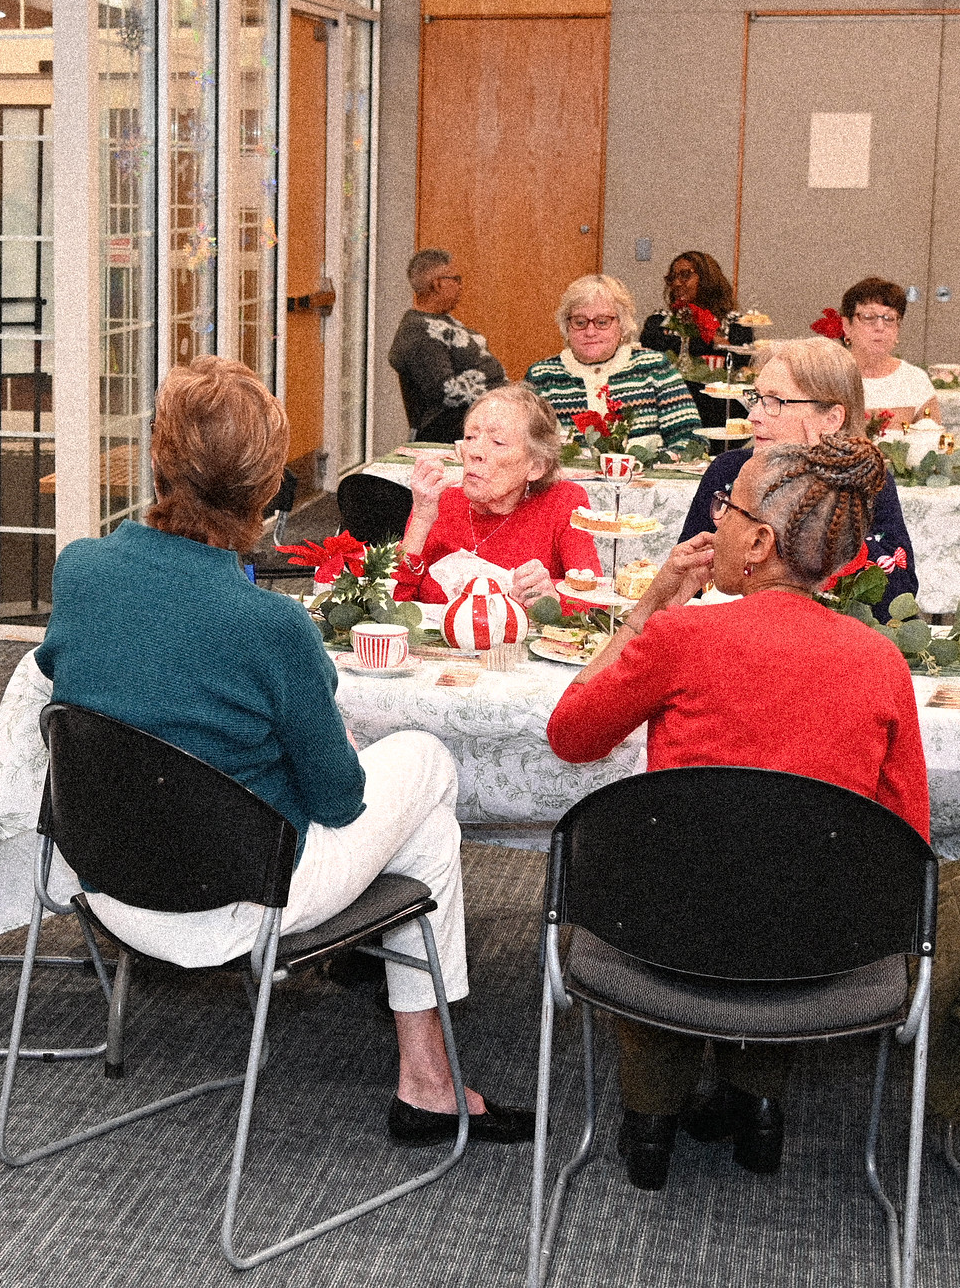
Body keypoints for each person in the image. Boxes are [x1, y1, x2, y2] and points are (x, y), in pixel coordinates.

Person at [35, 356, 533, 1147]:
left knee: (426, 832)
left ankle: (428, 1081)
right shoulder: (271, 627)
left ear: (159, 459)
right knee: (429, 763)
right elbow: (339, 800)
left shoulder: (81, 568)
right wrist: (330, 739)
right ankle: (425, 1080)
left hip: (105, 881)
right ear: (272, 492)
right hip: (234, 900)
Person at [547, 433, 929, 1184]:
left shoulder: (682, 637)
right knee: (787, 877)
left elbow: (570, 733)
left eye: (728, 506)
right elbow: (904, 837)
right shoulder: (881, 660)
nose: (714, 518)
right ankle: (761, 1107)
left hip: (667, 935)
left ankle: (649, 1122)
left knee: (663, 872)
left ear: (757, 542)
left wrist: (651, 605)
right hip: (813, 949)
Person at [677, 337, 919, 619]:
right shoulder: (729, 472)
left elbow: (899, 596)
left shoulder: (865, 482)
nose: (753, 416)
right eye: (756, 398)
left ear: (831, 419)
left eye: (775, 402)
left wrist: (824, 491)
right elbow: (689, 586)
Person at [394, 382, 600, 607]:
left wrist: (555, 600)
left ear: (536, 467)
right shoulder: (439, 502)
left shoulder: (563, 502)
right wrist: (422, 520)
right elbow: (392, 602)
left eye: (497, 442)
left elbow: (593, 602)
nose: (475, 452)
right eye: (470, 437)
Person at [526, 275, 702, 448]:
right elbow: (525, 446)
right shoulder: (542, 377)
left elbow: (692, 440)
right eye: (579, 322)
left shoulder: (654, 368)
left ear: (622, 325)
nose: (590, 332)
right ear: (566, 326)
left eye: (602, 322)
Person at [387, 248, 507, 443]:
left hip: (478, 418)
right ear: (438, 284)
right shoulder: (418, 331)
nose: (461, 286)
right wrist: (500, 394)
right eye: (456, 279)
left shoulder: (444, 320)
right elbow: (446, 391)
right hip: (449, 430)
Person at [838, 276, 941, 430]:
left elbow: (933, 446)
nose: (880, 326)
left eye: (889, 318)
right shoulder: (830, 377)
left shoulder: (915, 380)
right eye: (868, 317)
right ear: (847, 326)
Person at [640, 250, 736, 361]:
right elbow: (651, 345)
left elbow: (739, 361)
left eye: (685, 275)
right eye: (672, 278)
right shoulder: (660, 319)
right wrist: (711, 342)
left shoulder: (735, 323)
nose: (676, 283)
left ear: (707, 279)